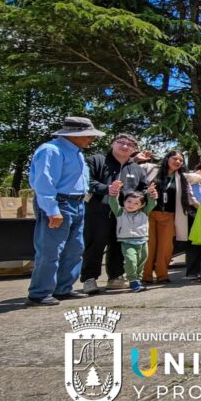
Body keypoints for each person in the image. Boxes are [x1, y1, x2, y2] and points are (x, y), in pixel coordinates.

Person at [26, 117, 105, 306]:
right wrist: (52, 209)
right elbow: (43, 182)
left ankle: (63, 288)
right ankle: (39, 293)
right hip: (59, 203)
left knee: (75, 249)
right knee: (50, 250)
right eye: (88, 135)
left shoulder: (76, 152)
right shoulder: (51, 150)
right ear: (74, 135)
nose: (91, 139)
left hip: (77, 204)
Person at [81, 133, 149, 292]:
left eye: (130, 145)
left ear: (134, 150)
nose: (125, 146)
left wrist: (148, 194)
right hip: (99, 210)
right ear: (112, 143)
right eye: (121, 142)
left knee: (120, 245)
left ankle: (116, 277)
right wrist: (107, 189)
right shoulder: (96, 160)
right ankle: (89, 279)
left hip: (125, 216)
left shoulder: (137, 168)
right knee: (95, 244)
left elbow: (142, 188)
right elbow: (87, 181)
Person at [144, 151, 194, 284]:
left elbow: (195, 185)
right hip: (149, 213)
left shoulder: (182, 177)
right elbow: (138, 171)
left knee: (166, 247)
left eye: (181, 160)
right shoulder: (153, 170)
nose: (177, 161)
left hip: (169, 216)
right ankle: (146, 275)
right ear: (167, 159)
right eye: (175, 158)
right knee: (149, 245)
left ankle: (162, 274)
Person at [107, 185, 157, 292]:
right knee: (130, 261)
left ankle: (138, 280)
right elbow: (113, 202)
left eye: (136, 203)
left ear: (141, 205)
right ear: (124, 202)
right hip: (127, 242)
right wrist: (114, 193)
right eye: (129, 201)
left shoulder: (144, 212)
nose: (131, 205)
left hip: (143, 241)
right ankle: (133, 281)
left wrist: (150, 193)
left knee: (141, 261)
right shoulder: (120, 212)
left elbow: (152, 203)